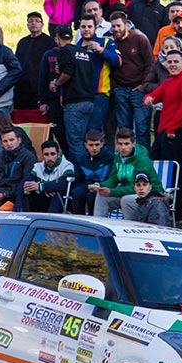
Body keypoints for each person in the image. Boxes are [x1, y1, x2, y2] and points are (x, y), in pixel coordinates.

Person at [144, 48, 182, 219]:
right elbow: (154, 95)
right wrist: (149, 99)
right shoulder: (168, 82)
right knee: (155, 169)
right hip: (164, 132)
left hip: (178, 132)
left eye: (176, 61)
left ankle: (177, 213)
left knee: (175, 175)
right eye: (170, 61)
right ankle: (157, 208)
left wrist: (172, 128)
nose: (172, 64)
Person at [92, 127, 161, 219]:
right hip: (130, 193)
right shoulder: (118, 158)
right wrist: (100, 185)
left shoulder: (142, 160)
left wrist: (111, 191)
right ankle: (99, 228)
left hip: (150, 194)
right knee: (101, 197)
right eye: (120, 144)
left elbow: (136, 187)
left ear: (133, 143)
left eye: (126, 144)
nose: (123, 147)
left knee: (126, 200)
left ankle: (129, 229)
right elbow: (113, 178)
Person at [51, 24, 96, 165]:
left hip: (75, 103)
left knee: (75, 142)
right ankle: (90, 170)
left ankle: (81, 174)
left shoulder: (64, 51)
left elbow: (68, 72)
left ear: (57, 38)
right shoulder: (84, 53)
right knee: (86, 141)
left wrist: (56, 84)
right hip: (89, 102)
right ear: (71, 37)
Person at [110, 12, 154, 150]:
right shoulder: (112, 43)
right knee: (124, 129)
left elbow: (150, 64)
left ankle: (142, 158)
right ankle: (126, 159)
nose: (116, 29)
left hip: (138, 90)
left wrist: (143, 85)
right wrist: (115, 87)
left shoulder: (140, 39)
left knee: (142, 128)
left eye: (118, 25)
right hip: (121, 90)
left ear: (126, 25)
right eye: (113, 26)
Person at [77, 14, 121, 131]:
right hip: (80, 96)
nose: (86, 29)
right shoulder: (75, 47)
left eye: (89, 26)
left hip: (99, 94)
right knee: (80, 132)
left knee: (94, 130)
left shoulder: (105, 42)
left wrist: (101, 50)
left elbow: (118, 61)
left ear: (95, 28)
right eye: (83, 26)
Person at [16, 140, 75, 213]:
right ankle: (20, 215)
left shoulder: (67, 166)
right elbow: (26, 183)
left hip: (59, 201)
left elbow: (66, 185)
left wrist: (42, 187)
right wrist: (44, 188)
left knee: (58, 193)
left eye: (53, 154)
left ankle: (50, 221)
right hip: (42, 200)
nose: (50, 158)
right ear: (42, 155)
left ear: (58, 153)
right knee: (25, 187)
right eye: (46, 154)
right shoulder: (38, 167)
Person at [70, 129, 113, 215]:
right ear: (85, 145)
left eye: (97, 145)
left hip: (103, 186)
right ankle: (78, 220)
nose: (94, 148)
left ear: (102, 144)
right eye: (91, 145)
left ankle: (92, 221)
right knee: (77, 193)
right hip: (87, 185)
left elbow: (112, 177)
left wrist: (101, 185)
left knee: (92, 196)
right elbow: (79, 178)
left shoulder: (110, 158)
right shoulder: (81, 159)